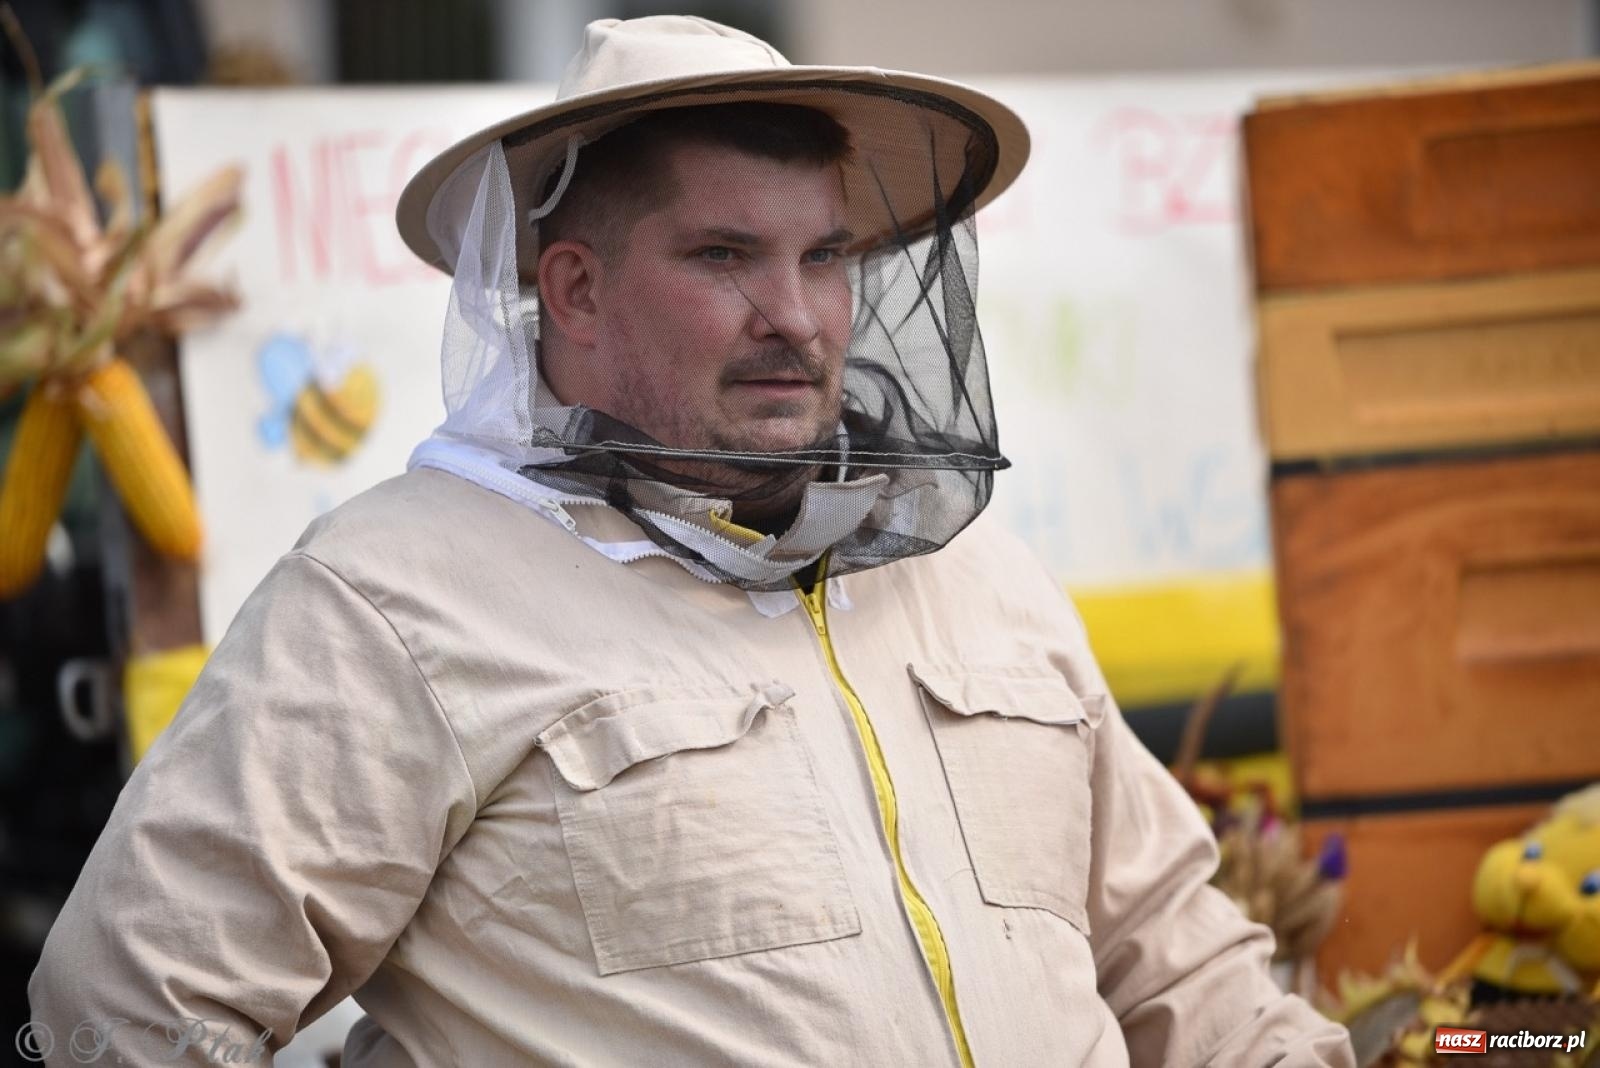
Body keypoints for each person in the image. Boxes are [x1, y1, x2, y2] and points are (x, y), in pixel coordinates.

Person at [28, 16, 1356, 1067]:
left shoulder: (975, 579)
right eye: (726, 255)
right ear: (576, 292)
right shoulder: (394, 601)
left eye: (826, 256)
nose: (798, 316)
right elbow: (123, 1013)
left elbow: (1189, 973)